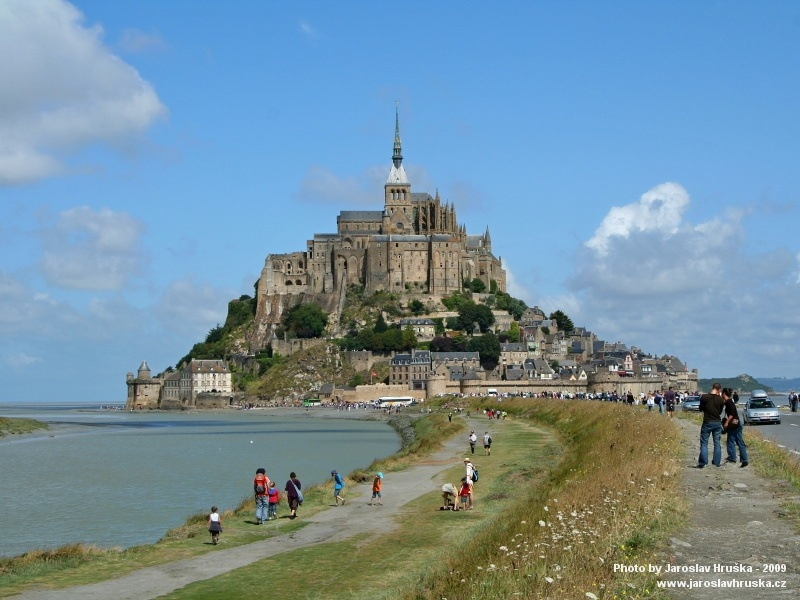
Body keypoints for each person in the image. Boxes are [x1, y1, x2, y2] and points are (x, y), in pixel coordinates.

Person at [696, 383, 725, 468]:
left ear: (712, 388)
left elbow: (700, 408)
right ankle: (716, 462)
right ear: (719, 390)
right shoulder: (720, 400)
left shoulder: (704, 397)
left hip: (707, 421)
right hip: (717, 422)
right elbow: (719, 412)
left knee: (704, 443)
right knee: (717, 443)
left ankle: (703, 462)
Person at [722, 387, 748, 468]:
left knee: (730, 441)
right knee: (740, 442)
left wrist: (726, 422)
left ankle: (732, 457)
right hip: (737, 424)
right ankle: (744, 459)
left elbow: (732, 414)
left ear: (723, 394)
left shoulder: (729, 402)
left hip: (733, 424)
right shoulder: (730, 402)